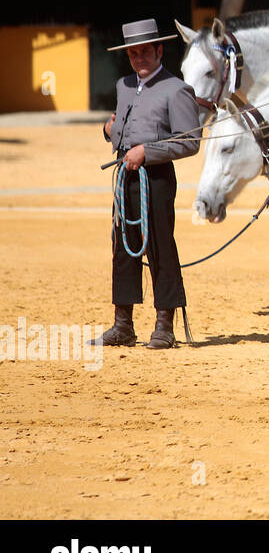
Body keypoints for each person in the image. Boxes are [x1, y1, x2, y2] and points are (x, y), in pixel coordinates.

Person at [93, 19, 205, 349]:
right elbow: (121, 128)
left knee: (159, 245)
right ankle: (122, 324)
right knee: (123, 244)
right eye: (133, 53)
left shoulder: (177, 89)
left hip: (155, 177)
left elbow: (190, 142)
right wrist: (108, 131)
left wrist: (147, 151)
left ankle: (164, 325)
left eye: (145, 51)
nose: (139, 58)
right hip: (125, 175)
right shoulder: (124, 85)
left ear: (159, 51)